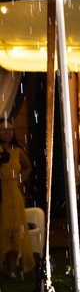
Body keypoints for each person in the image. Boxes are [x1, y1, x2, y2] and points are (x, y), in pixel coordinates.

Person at [0, 119, 35, 278]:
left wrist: (19, 180)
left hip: (14, 194)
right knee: (3, 230)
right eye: (3, 130)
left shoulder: (17, 151)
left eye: (10, 130)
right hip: (1, 192)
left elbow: (28, 166)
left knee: (14, 230)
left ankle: (11, 268)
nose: (7, 133)